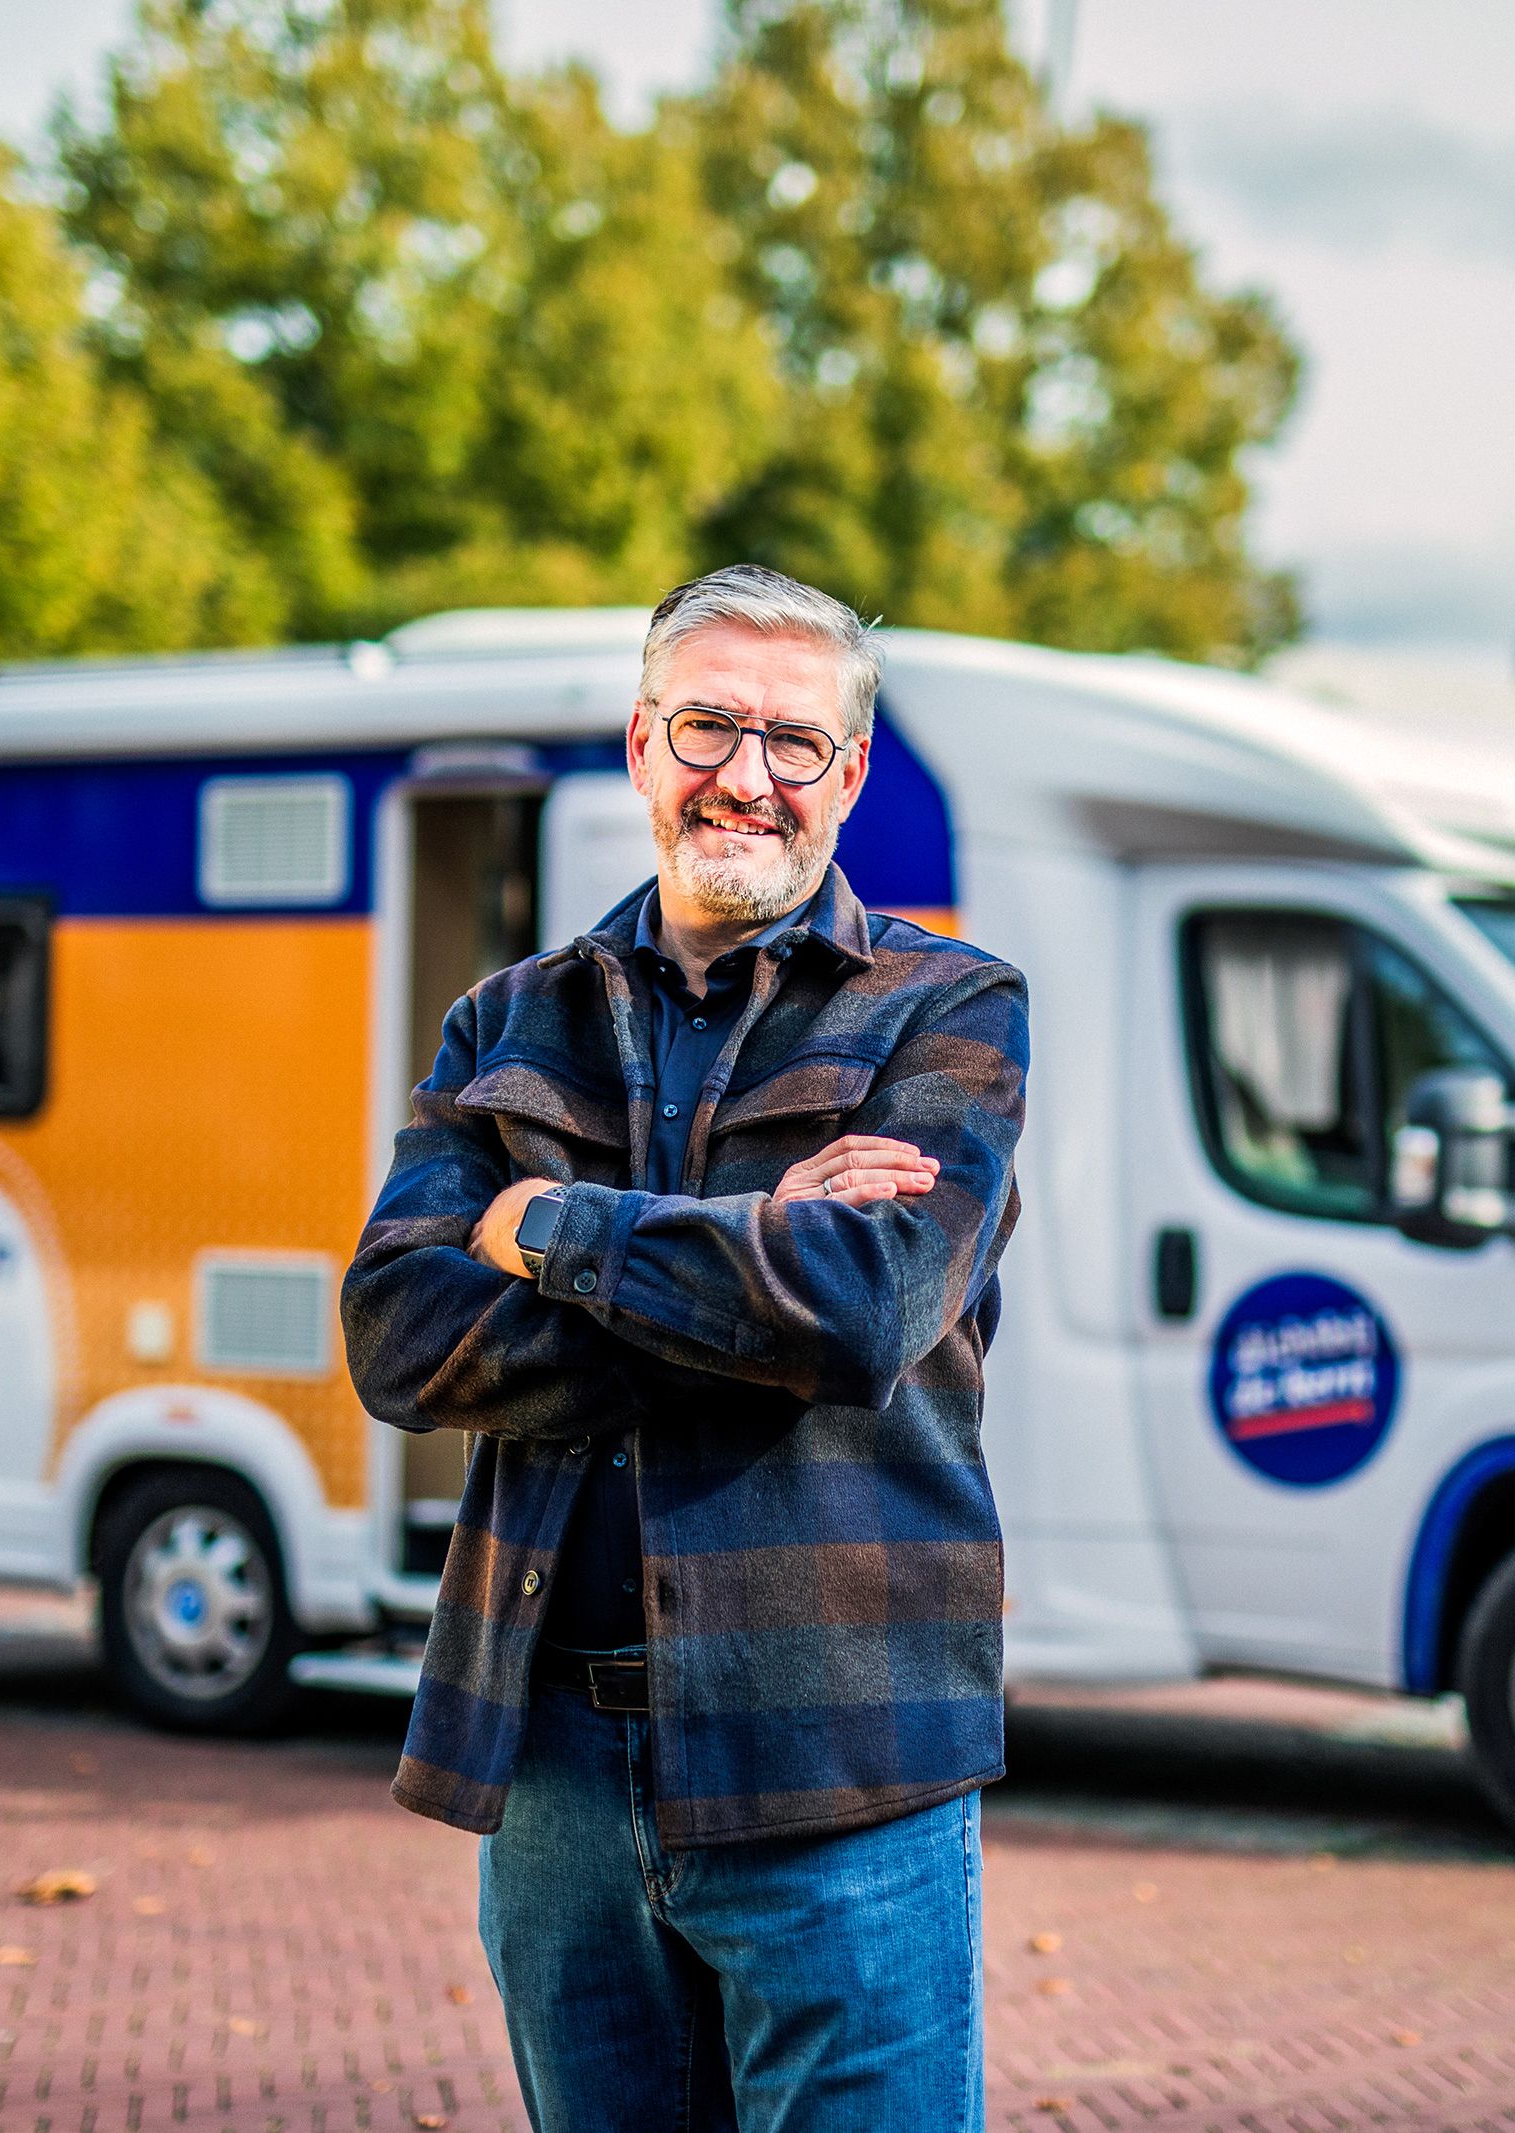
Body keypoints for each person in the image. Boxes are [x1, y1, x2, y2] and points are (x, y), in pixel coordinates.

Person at [342, 565, 1028, 2133]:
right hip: (556, 1775)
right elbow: (396, 1335)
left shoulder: (949, 1012)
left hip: (842, 1763)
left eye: (795, 741)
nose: (748, 775)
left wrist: (551, 1226)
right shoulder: (505, 1023)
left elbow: (864, 1311)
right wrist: (754, 1253)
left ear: (849, 774)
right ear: (643, 742)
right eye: (710, 725)